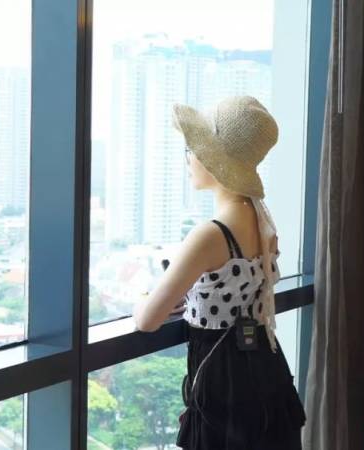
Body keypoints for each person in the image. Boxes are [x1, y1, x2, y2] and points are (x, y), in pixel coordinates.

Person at [132, 96, 307, 449]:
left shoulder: (210, 235)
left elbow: (147, 320)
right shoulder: (263, 221)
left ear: (215, 160)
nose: (189, 158)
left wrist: (142, 298)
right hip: (265, 367)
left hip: (224, 384)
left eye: (193, 149)